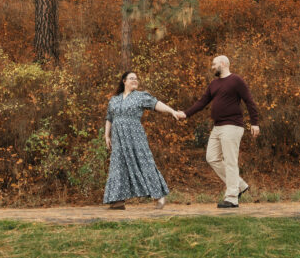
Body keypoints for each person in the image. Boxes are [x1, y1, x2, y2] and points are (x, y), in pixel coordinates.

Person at [177, 54, 261, 208]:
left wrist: (254, 123)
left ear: (223, 63)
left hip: (232, 126)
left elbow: (249, 101)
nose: (212, 67)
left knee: (230, 161)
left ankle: (232, 198)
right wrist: (186, 113)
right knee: (212, 158)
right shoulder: (214, 84)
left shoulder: (236, 80)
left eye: (214, 64)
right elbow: (202, 102)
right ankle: (240, 185)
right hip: (217, 127)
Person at [103, 70, 182, 210]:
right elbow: (109, 118)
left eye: (136, 79)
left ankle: (160, 197)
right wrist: (107, 135)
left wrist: (172, 111)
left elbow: (156, 104)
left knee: (144, 163)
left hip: (135, 136)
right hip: (118, 138)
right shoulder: (114, 99)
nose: (135, 80)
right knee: (117, 166)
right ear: (124, 81)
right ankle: (117, 200)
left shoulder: (140, 96)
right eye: (131, 78)